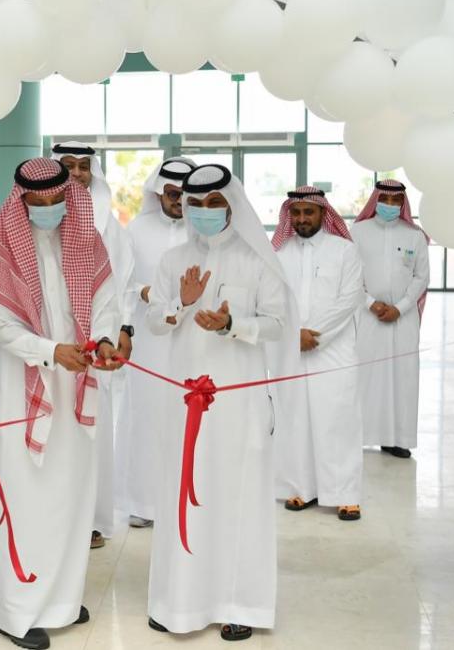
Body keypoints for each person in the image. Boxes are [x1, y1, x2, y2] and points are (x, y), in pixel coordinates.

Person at [0, 158, 122, 650]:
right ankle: (17, 611)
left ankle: (61, 600)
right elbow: (0, 327)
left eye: (57, 200)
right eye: (37, 202)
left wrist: (104, 340)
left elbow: (106, 302)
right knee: (24, 495)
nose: (49, 209)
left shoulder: (86, 238)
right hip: (22, 387)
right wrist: (49, 351)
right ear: (20, 201)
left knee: (70, 492)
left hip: (76, 380)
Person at [143, 163, 293, 642]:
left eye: (215, 203)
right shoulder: (173, 260)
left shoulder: (257, 260)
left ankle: (238, 603)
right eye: (196, 204)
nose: (205, 211)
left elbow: (278, 324)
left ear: (232, 206)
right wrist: (182, 304)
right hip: (183, 398)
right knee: (183, 488)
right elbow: (154, 322)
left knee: (237, 495)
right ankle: (176, 602)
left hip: (238, 401)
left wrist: (232, 325)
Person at [50, 141, 136, 548]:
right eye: (68, 165)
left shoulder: (107, 226)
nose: (77, 173)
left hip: (96, 341)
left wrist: (122, 330)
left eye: (84, 166)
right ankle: (54, 518)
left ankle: (91, 520)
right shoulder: (38, 218)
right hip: (49, 345)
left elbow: (122, 283)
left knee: (92, 430)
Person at [270, 186, 365, 521]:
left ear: (323, 214)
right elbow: (272, 299)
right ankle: (299, 488)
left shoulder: (344, 251)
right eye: (295, 213)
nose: (301, 219)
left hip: (334, 351)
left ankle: (345, 494)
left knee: (336, 420)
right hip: (291, 349)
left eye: (308, 212)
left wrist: (314, 335)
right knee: (294, 419)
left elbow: (349, 298)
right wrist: (293, 335)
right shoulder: (278, 254)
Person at [115, 156, 196, 529]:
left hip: (193, 335)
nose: (178, 201)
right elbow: (122, 280)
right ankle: (143, 502)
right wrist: (144, 291)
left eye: (184, 195)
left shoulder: (202, 230)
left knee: (190, 413)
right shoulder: (136, 230)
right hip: (149, 338)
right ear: (158, 193)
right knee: (147, 415)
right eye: (172, 194)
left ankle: (187, 499)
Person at [351, 180, 430, 459]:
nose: (391, 205)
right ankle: (360, 435)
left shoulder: (414, 235)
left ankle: (396, 439)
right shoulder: (358, 232)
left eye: (397, 200)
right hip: (366, 316)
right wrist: (370, 303)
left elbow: (421, 276)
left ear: (403, 204)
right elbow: (349, 274)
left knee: (402, 377)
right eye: (385, 199)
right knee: (366, 375)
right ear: (376, 200)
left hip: (403, 319)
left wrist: (401, 307)